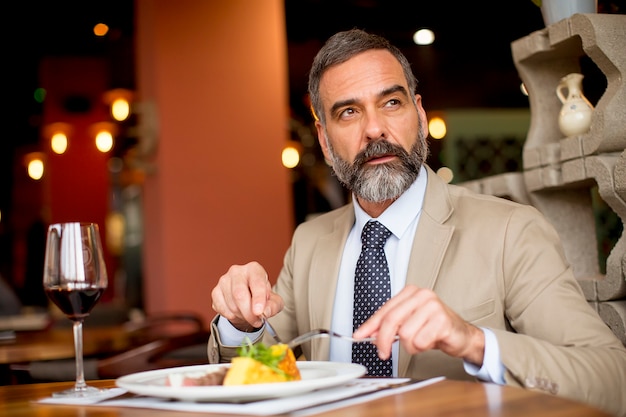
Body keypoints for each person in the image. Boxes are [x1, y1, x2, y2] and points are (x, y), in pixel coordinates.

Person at [208, 29, 626, 416]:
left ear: (420, 115)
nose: (375, 129)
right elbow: (258, 370)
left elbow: (612, 379)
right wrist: (240, 324)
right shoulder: (310, 241)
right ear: (323, 138)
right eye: (349, 112)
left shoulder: (510, 231)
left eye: (392, 102)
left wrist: (475, 342)